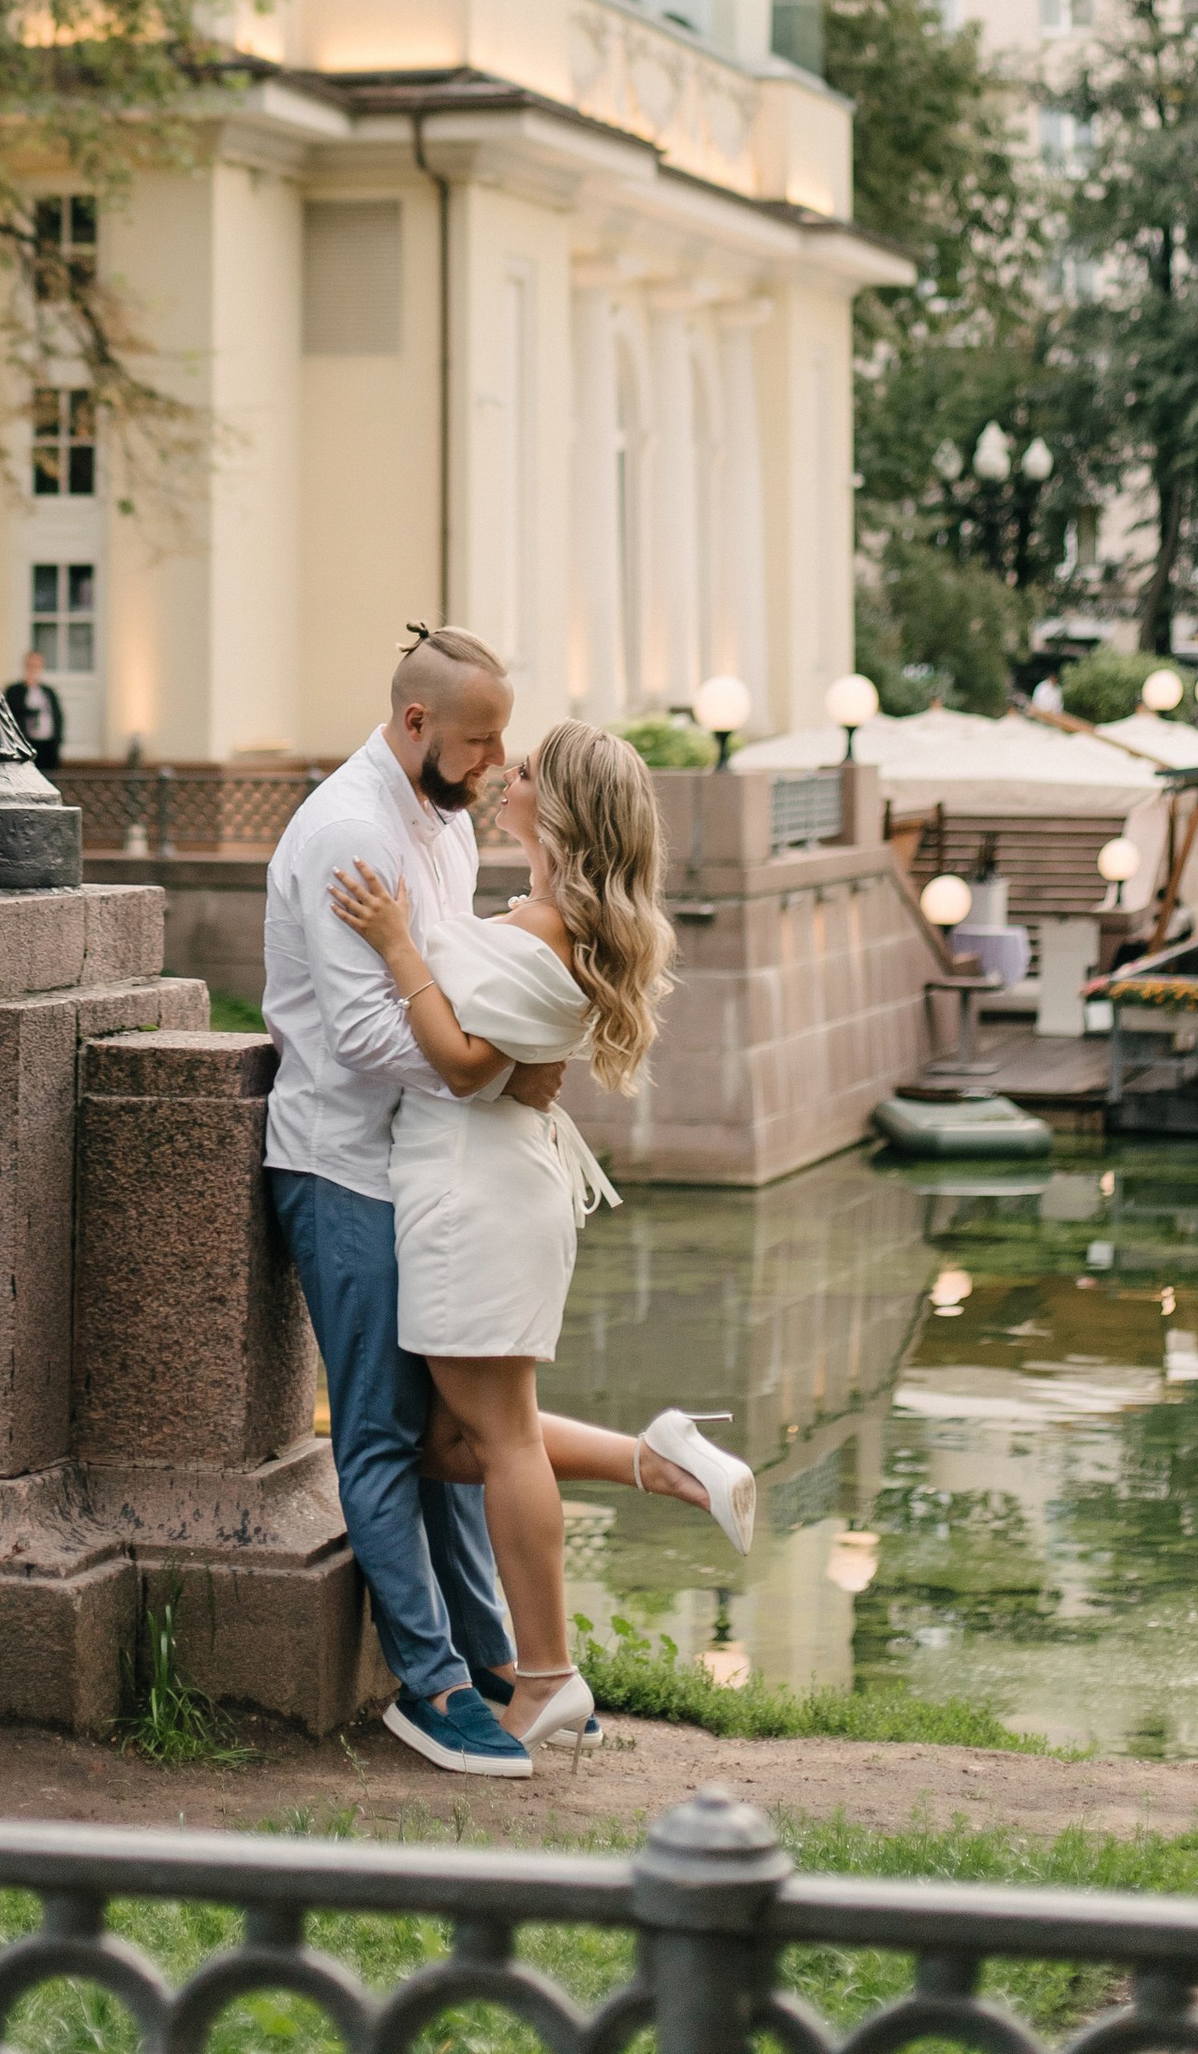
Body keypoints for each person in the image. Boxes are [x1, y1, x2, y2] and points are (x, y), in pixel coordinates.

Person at [331, 720, 754, 1772]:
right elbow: (504, 1058)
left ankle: (547, 1677)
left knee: (491, 1443)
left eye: (520, 772)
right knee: (445, 1439)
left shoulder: (535, 931)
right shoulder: (542, 924)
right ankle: (656, 1461)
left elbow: (465, 1064)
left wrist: (394, 943)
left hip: (477, 1200)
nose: (501, 776)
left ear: (555, 811)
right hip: (481, 1189)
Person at [262, 626, 550, 1776]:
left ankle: (484, 1654)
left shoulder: (440, 819)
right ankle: (426, 1685)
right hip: (340, 1169)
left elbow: (445, 971)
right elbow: (369, 1033)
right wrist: (491, 1059)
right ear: (416, 722)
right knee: (380, 1434)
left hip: (424, 1166)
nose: (493, 763)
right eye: (479, 741)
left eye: (501, 743)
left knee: (460, 1432)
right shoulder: (345, 830)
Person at [4, 649, 63, 774]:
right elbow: (11, 713)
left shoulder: (48, 691)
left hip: (47, 745)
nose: (33, 669)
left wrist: (57, 742)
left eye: (37, 666)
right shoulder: (14, 690)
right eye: (31, 665)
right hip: (26, 744)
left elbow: (57, 717)